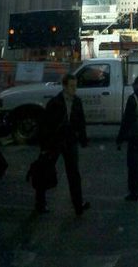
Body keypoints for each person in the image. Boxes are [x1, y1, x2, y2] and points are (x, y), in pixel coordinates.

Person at [35, 73, 90, 216]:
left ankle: (78, 205)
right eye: (72, 86)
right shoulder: (55, 103)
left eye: (75, 86)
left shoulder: (75, 101)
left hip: (69, 140)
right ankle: (40, 203)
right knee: (47, 170)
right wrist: (45, 146)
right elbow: (46, 125)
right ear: (65, 86)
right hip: (56, 141)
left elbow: (80, 121)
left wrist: (82, 138)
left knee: (73, 174)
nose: (74, 89)